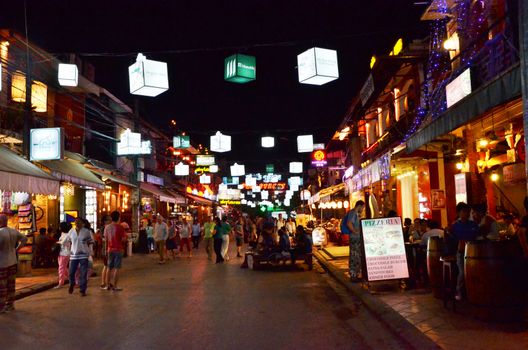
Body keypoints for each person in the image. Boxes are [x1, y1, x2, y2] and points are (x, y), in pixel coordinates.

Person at [450, 202, 479, 301]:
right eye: (464, 211)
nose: (467, 213)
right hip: (461, 253)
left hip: (473, 253)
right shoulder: (455, 226)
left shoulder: (473, 224)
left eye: (468, 211)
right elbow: (452, 240)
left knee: (474, 272)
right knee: (462, 272)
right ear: (458, 213)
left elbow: (477, 236)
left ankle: (472, 292)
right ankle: (458, 291)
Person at [0, 214, 27, 313]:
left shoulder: (0, 233)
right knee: (11, 284)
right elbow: (24, 239)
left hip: (2, 262)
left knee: (2, 285)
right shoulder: (13, 231)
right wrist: (17, 249)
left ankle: (1, 307)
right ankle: (10, 305)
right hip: (13, 261)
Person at [67, 218, 93, 296]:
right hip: (73, 255)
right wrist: (69, 252)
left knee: (83, 273)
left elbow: (90, 242)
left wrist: (89, 252)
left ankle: (83, 289)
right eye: (76, 222)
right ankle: (72, 284)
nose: (77, 223)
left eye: (79, 222)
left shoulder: (86, 232)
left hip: (83, 255)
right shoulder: (71, 231)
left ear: (82, 223)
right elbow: (69, 241)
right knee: (71, 272)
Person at [103, 211, 126, 291]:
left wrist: (105, 250)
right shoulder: (120, 227)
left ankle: (107, 285)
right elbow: (123, 239)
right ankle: (115, 286)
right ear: (118, 217)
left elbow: (105, 240)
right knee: (116, 268)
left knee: (109, 267)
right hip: (118, 249)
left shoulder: (107, 227)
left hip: (109, 249)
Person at [345, 200, 365, 281]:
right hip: (355, 238)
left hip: (356, 238)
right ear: (359, 206)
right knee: (354, 256)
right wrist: (355, 231)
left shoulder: (354, 213)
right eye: (363, 207)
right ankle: (353, 275)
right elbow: (349, 223)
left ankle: (355, 274)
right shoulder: (353, 213)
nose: (363, 209)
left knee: (356, 256)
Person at [54, 222, 72, 288]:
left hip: (65, 253)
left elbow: (62, 242)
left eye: (60, 226)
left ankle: (61, 283)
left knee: (61, 268)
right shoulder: (62, 234)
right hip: (60, 253)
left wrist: (57, 243)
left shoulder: (67, 235)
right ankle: (71, 279)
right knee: (63, 268)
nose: (59, 228)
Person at [99, 215, 112, 290]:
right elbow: (104, 239)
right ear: (105, 221)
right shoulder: (104, 228)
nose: (110, 221)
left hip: (107, 249)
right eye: (109, 220)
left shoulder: (107, 228)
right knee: (106, 266)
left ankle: (106, 282)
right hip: (106, 249)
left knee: (108, 266)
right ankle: (104, 282)